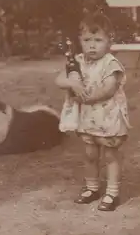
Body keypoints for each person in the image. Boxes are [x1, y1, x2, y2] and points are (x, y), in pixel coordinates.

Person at [55, 11, 130, 211]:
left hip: (107, 115)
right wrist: (71, 81)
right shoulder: (78, 61)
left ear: (109, 42)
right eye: (87, 40)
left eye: (98, 40)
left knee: (110, 154)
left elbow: (110, 87)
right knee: (90, 153)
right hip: (88, 117)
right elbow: (59, 79)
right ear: (80, 41)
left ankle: (112, 192)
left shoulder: (110, 63)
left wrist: (89, 97)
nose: (92, 45)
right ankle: (92, 187)